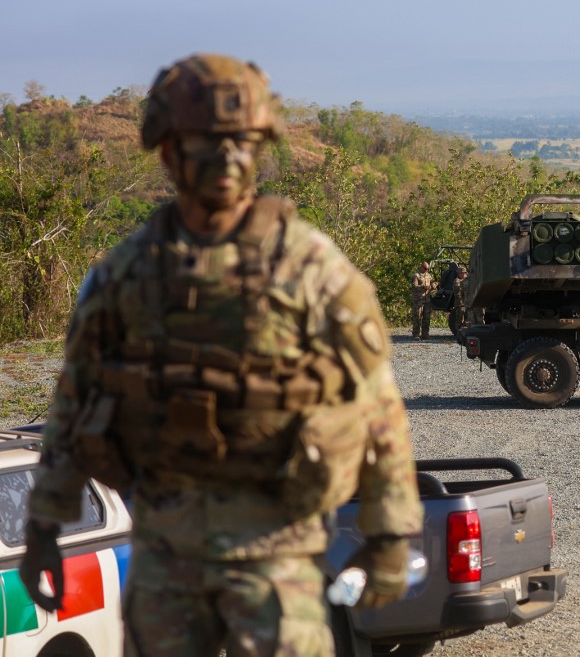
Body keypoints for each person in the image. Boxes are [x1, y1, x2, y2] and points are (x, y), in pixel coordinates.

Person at [18, 54, 423, 656]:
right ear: (168, 150)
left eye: (244, 141)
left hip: (278, 556)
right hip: (165, 557)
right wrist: (45, 525)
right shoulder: (125, 276)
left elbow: (376, 403)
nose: (229, 157)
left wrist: (389, 532)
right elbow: (75, 402)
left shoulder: (311, 269)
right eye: (207, 141)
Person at [410, 261, 436, 340]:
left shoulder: (428, 275)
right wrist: (423, 287)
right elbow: (414, 286)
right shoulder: (416, 276)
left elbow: (433, 283)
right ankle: (416, 334)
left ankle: (425, 334)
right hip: (418, 300)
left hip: (427, 300)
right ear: (421, 267)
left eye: (427, 269)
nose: (426, 270)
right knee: (417, 318)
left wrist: (433, 285)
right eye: (425, 268)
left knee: (426, 318)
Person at [451, 266, 469, 331]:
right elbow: (457, 288)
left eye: (465, 273)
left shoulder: (467, 280)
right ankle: (458, 333)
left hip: (467, 303)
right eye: (463, 273)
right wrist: (464, 282)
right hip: (460, 304)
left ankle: (465, 332)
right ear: (459, 273)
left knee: (467, 320)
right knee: (459, 319)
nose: (464, 274)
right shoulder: (457, 281)